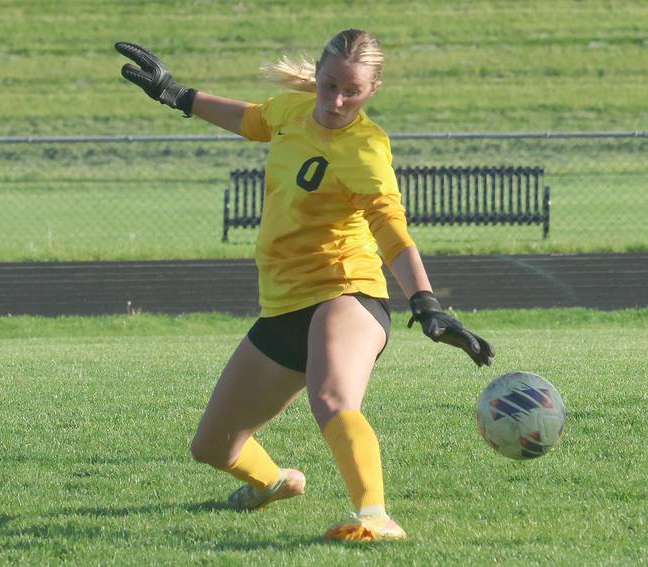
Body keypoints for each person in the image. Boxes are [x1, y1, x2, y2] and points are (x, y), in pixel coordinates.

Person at [115, 29, 494, 542]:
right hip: (283, 305)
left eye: (352, 91)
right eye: (329, 84)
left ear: (373, 90)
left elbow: (390, 228)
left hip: (346, 291)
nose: (337, 100)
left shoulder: (365, 149)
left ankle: (375, 516)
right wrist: (175, 93)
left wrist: (426, 304)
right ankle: (273, 484)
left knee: (333, 398)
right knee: (211, 447)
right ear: (317, 74)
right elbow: (250, 120)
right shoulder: (293, 113)